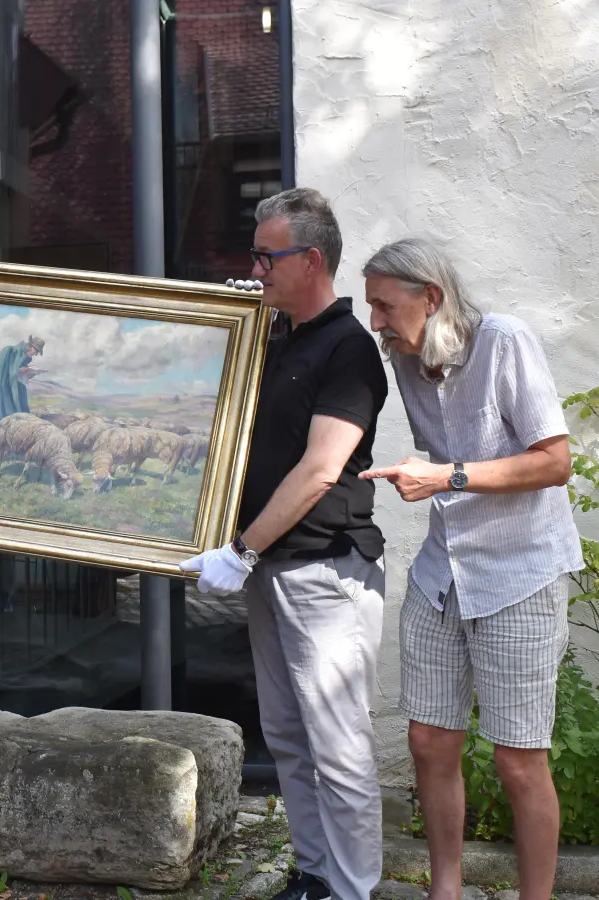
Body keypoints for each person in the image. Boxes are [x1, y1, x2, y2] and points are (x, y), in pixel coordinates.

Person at [180, 188, 389, 900]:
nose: (256, 270)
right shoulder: (274, 338)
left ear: (312, 260)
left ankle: (353, 891)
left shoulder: (349, 349)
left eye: (267, 258)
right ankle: (315, 874)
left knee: (339, 749)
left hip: (327, 572)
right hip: (274, 570)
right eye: (255, 257)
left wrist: (240, 551)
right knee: (290, 738)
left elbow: (321, 468)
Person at [359, 237, 580, 900]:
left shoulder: (503, 341)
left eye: (383, 305)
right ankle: (445, 891)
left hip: (520, 574)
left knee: (518, 760)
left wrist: (447, 476)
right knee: (429, 741)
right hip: (442, 573)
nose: (374, 320)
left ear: (431, 297)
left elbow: (555, 462)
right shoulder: (405, 359)